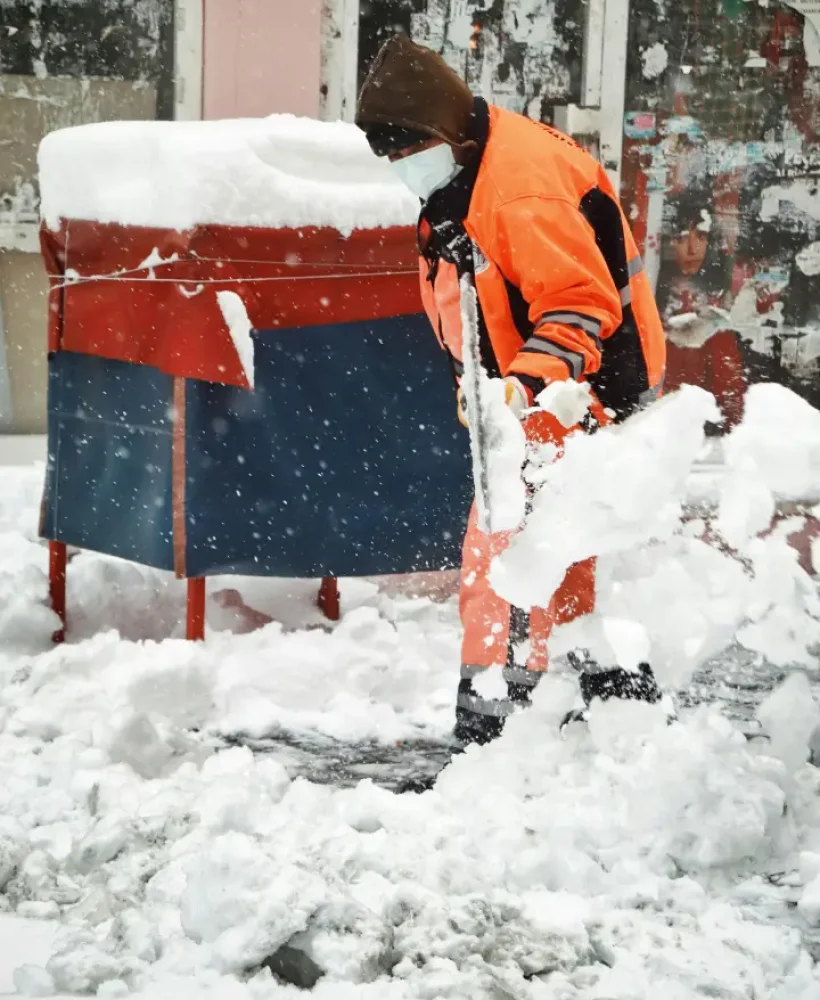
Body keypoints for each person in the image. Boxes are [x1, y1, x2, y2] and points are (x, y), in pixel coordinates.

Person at [356, 35, 668, 747]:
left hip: (571, 383)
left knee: (501, 552)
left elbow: (579, 307)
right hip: (544, 382)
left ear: (444, 132)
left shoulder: (519, 189)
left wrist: (518, 392)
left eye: (409, 153)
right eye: (392, 158)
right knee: (562, 543)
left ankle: (495, 722)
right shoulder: (467, 165)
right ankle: (601, 696)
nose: (403, 169)